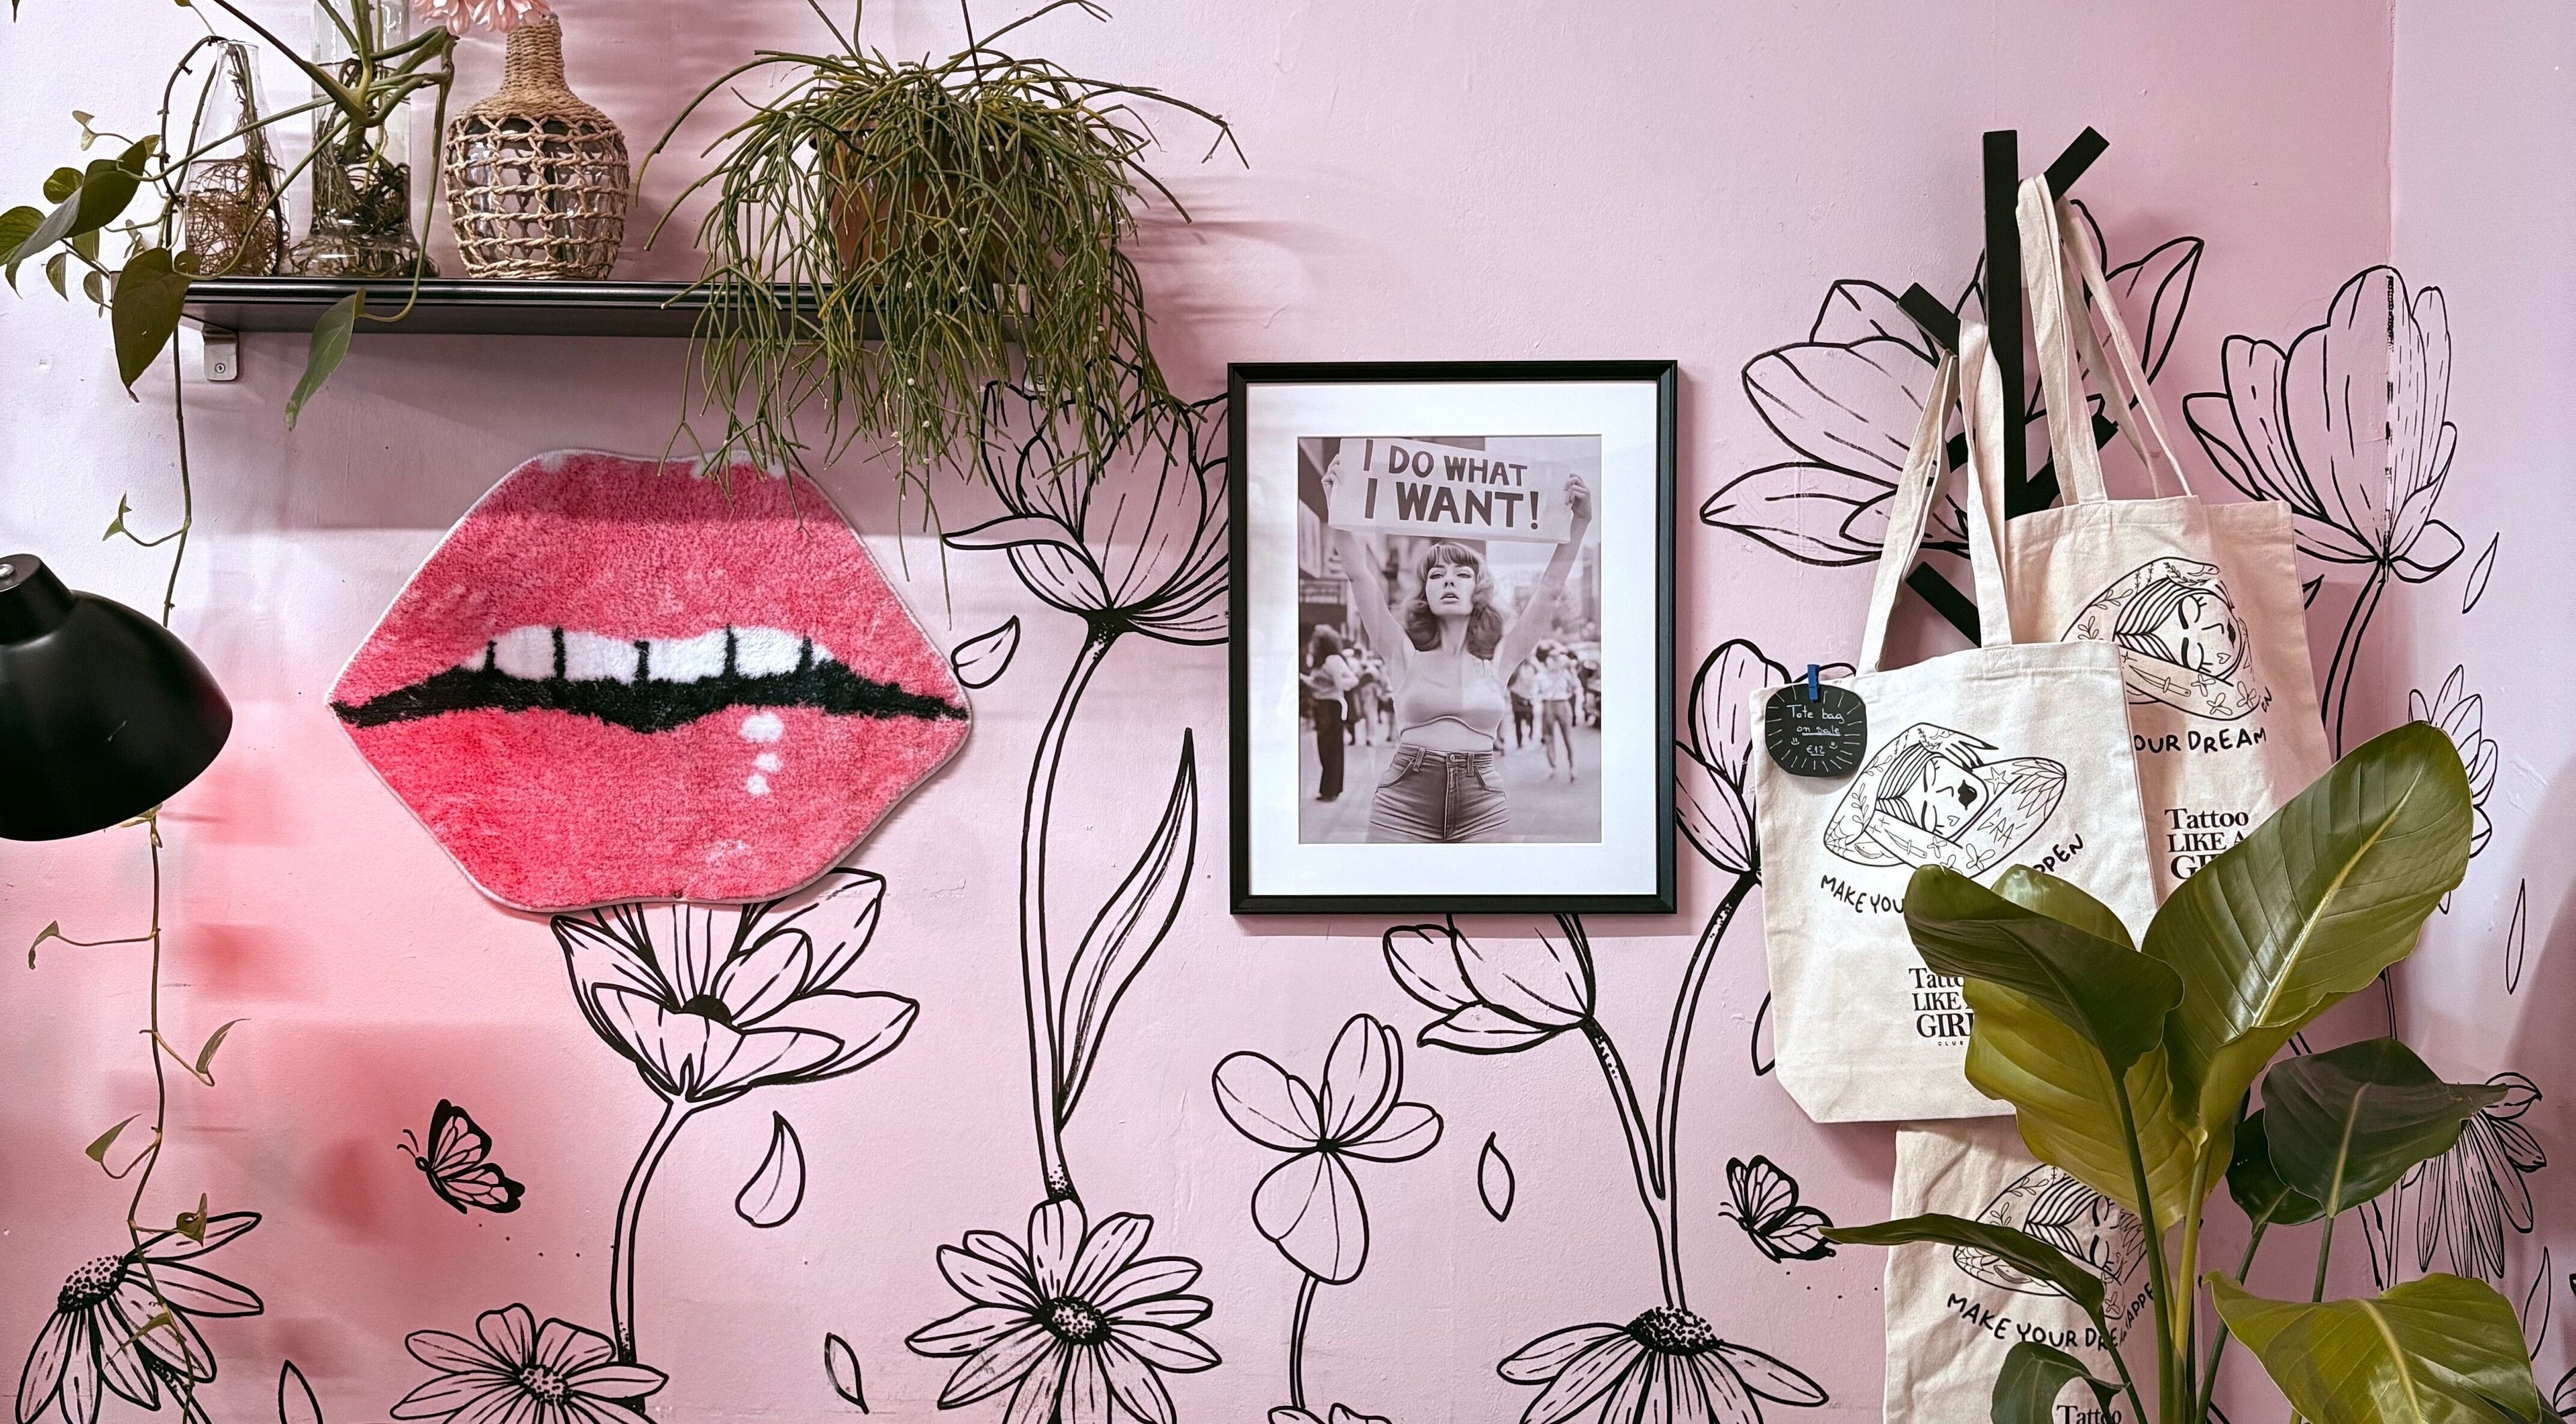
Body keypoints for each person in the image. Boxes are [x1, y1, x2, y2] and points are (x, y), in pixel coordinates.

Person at [1322, 456, 1594, 842]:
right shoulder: (1401, 652)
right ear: (1426, 593)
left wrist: (1580, 522)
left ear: (1477, 589)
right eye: (1437, 576)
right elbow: (1359, 575)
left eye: (1461, 574)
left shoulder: (1501, 656)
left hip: (1482, 803)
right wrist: (1340, 508)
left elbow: (1549, 590)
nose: (1448, 581)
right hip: (1403, 802)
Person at [1304, 627, 1358, 802]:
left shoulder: (1333, 660)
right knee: (1326, 748)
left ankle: (1330, 790)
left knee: (1329, 748)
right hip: (1323, 706)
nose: (1311, 644)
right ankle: (1330, 789)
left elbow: (1347, 681)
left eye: (1315, 641)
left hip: (1331, 706)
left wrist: (1335, 684)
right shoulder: (1322, 661)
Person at [1536, 647, 1579, 781]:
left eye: (1557, 658)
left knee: (1567, 737)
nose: (1554, 661)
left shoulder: (1565, 673)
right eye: (1552, 658)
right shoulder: (1541, 675)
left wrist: (1571, 674)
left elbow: (1575, 686)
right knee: (1548, 737)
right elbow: (1536, 692)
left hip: (1562, 703)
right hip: (1548, 704)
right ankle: (1552, 766)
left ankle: (1572, 767)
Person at [1507, 656, 1540, 749]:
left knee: (1530, 717)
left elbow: (1535, 678)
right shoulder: (1516, 668)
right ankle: (1519, 741)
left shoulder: (1532, 666)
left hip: (1529, 696)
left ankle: (1530, 734)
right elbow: (1510, 681)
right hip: (1517, 696)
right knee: (1518, 721)